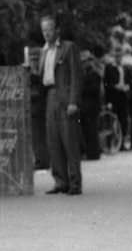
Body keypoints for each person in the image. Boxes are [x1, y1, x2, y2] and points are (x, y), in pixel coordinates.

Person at [37, 15, 83, 195]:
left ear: (57, 30)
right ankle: (60, 181)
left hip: (64, 97)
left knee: (69, 141)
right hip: (49, 95)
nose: (47, 33)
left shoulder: (68, 48)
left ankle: (75, 183)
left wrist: (73, 101)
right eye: (44, 30)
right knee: (53, 141)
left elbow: (76, 76)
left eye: (49, 29)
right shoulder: (43, 51)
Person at [102, 49, 129, 150]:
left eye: (120, 56)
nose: (119, 58)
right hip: (113, 98)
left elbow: (129, 81)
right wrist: (115, 87)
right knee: (111, 121)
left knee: (123, 120)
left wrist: (127, 86)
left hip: (123, 97)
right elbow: (106, 84)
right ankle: (109, 144)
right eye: (117, 56)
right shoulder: (109, 68)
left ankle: (121, 144)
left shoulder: (125, 68)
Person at [79, 50, 102, 160]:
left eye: (86, 61)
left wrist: (82, 89)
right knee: (86, 131)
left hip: (92, 107)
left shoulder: (94, 74)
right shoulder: (84, 73)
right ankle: (88, 152)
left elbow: (95, 89)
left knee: (92, 131)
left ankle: (93, 153)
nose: (84, 63)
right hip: (85, 107)